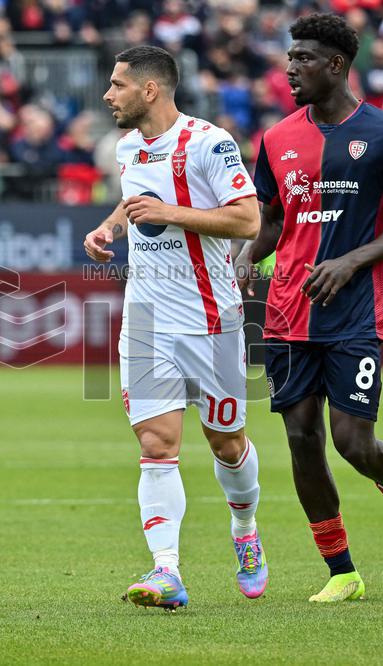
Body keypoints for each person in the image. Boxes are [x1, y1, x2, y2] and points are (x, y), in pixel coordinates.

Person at [237, 13, 383, 603]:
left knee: (352, 443)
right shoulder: (275, 139)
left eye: (303, 59)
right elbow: (271, 221)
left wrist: (351, 262)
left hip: (353, 314)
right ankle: (342, 571)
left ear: (338, 65)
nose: (290, 69)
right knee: (301, 439)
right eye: (289, 57)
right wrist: (246, 258)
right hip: (289, 311)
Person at [84, 45, 265, 610]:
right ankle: (167, 571)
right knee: (156, 444)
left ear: (150, 90)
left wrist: (170, 215)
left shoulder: (209, 143)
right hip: (146, 321)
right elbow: (137, 201)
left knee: (227, 443)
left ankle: (246, 531)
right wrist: (111, 226)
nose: (109, 95)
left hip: (211, 321)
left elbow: (248, 217)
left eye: (117, 85)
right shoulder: (127, 147)